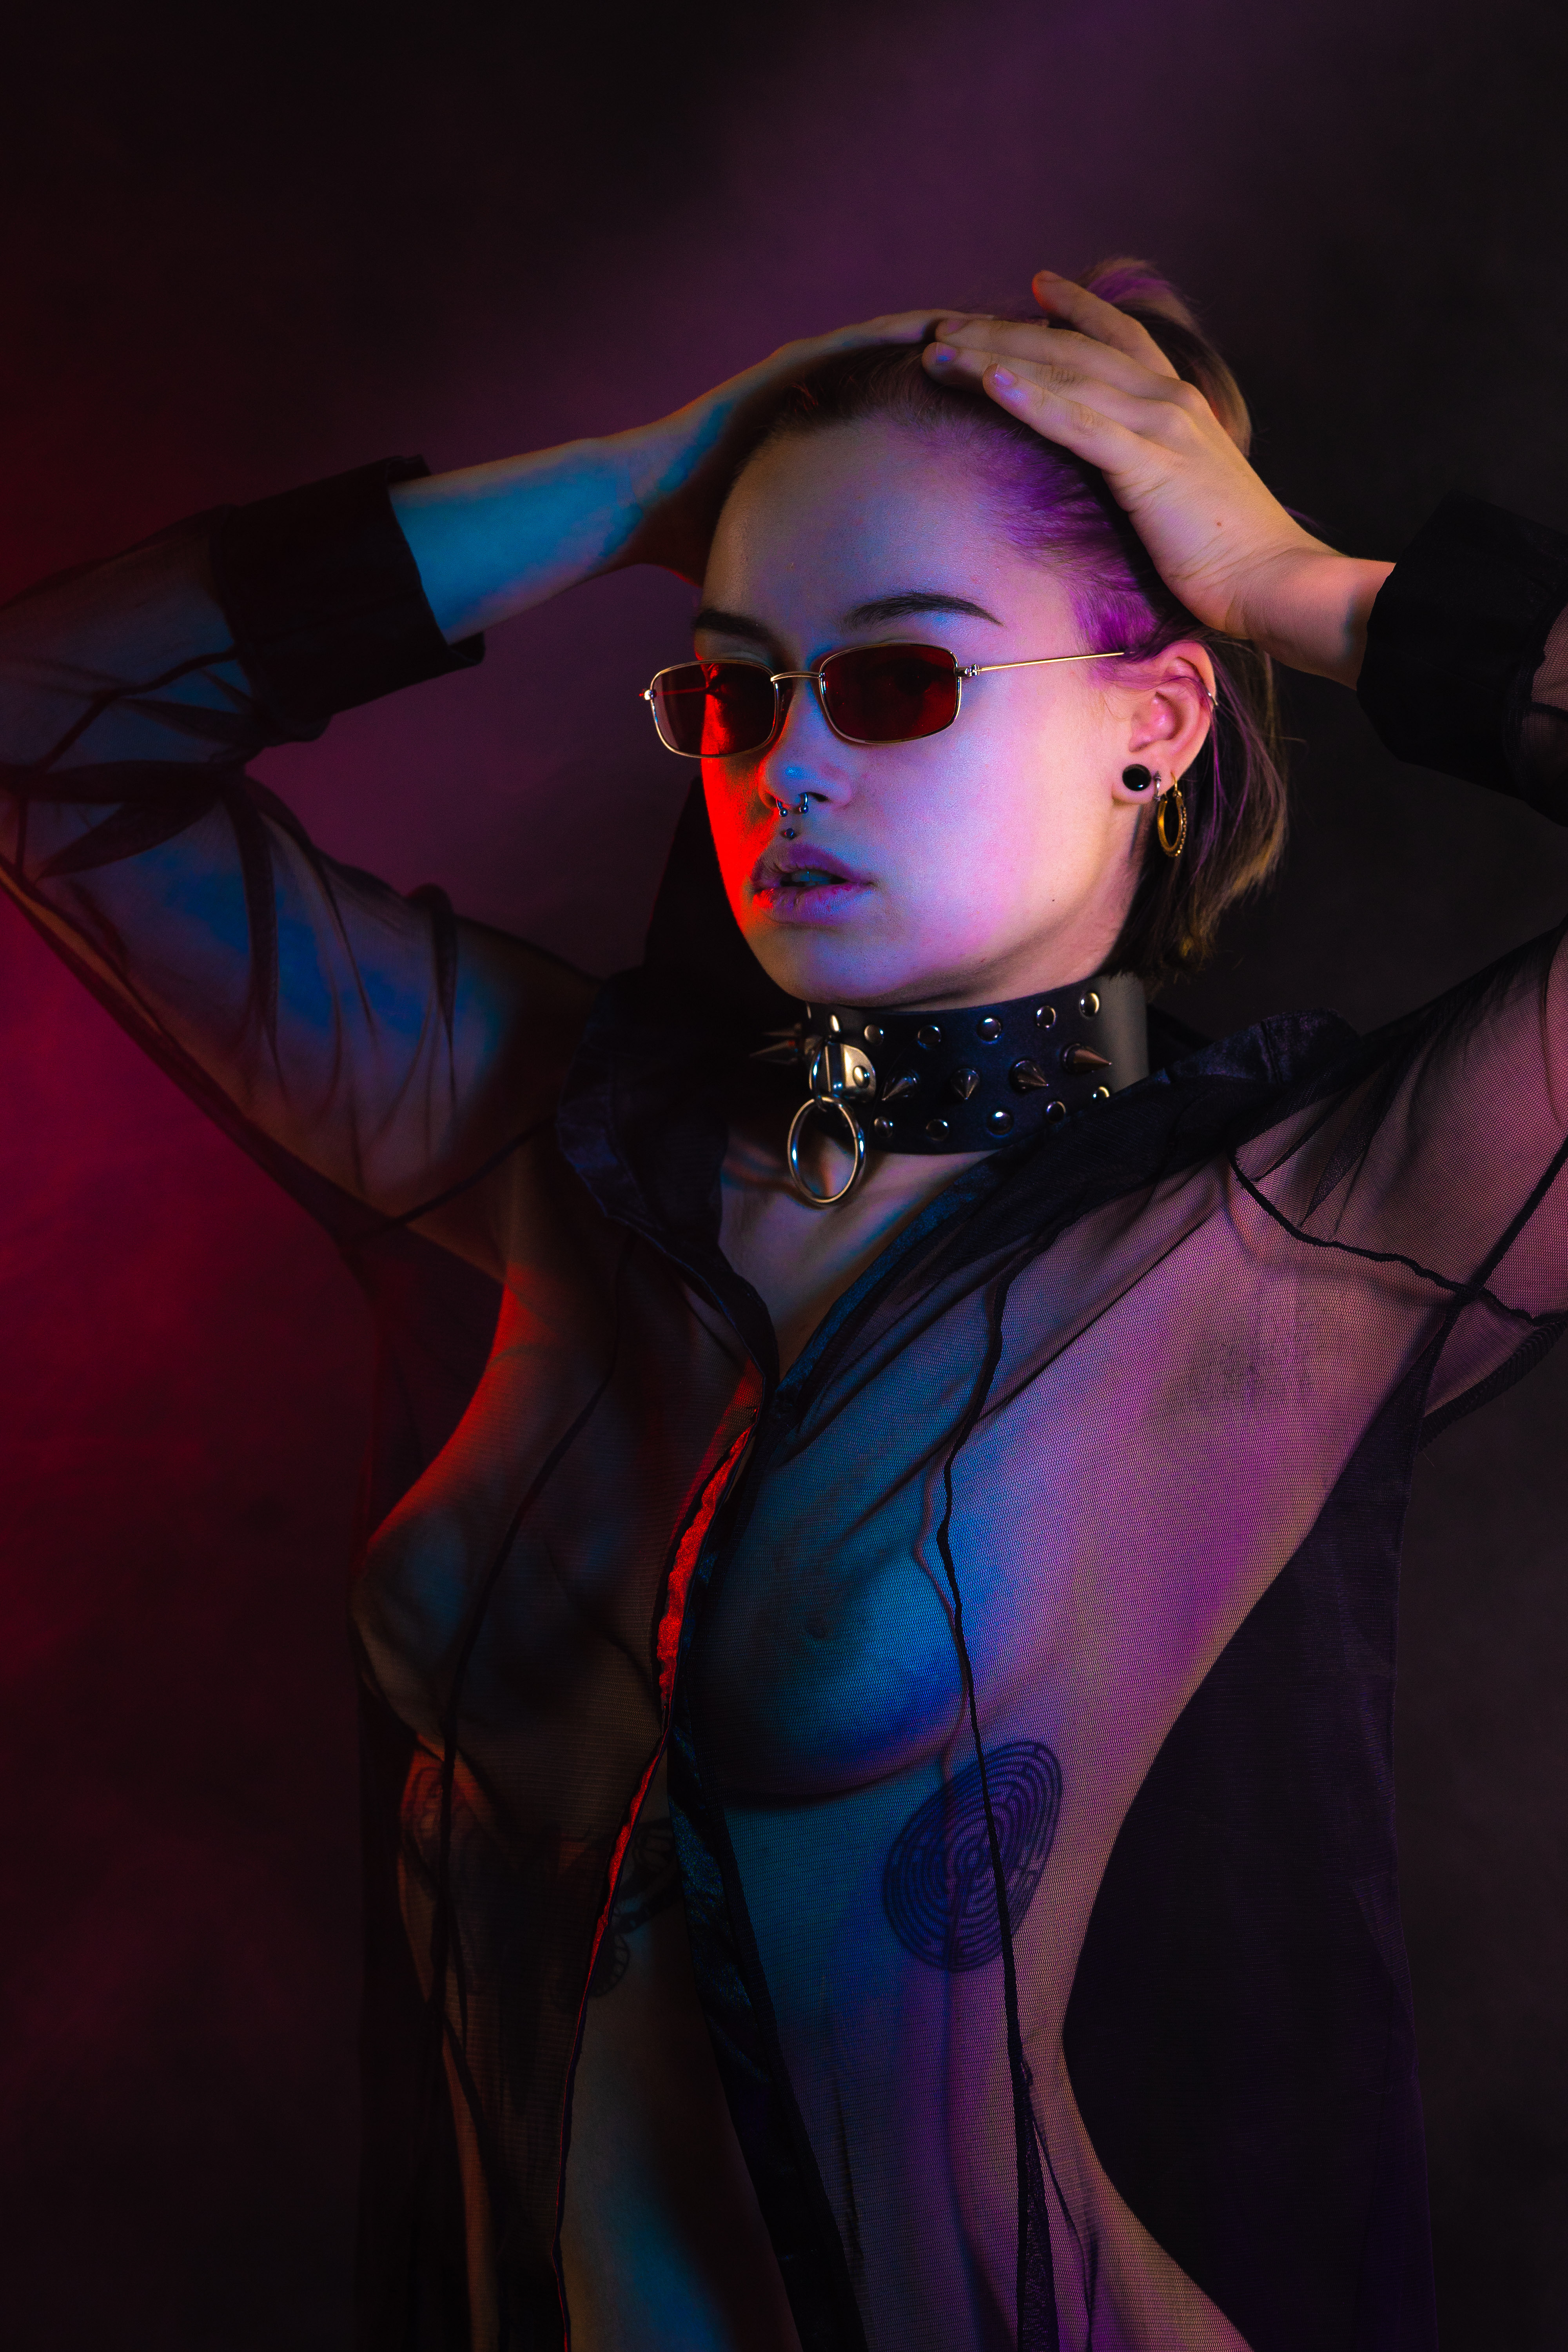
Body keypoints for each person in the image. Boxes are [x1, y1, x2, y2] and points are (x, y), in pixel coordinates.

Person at [4, 256, 1566, 2352]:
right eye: (735, 691)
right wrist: (633, 481)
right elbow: (44, 738)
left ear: (1155, 725)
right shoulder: (551, 1131)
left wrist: (1310, 592)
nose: (788, 770)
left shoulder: (1287, 1243)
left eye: (897, 682)